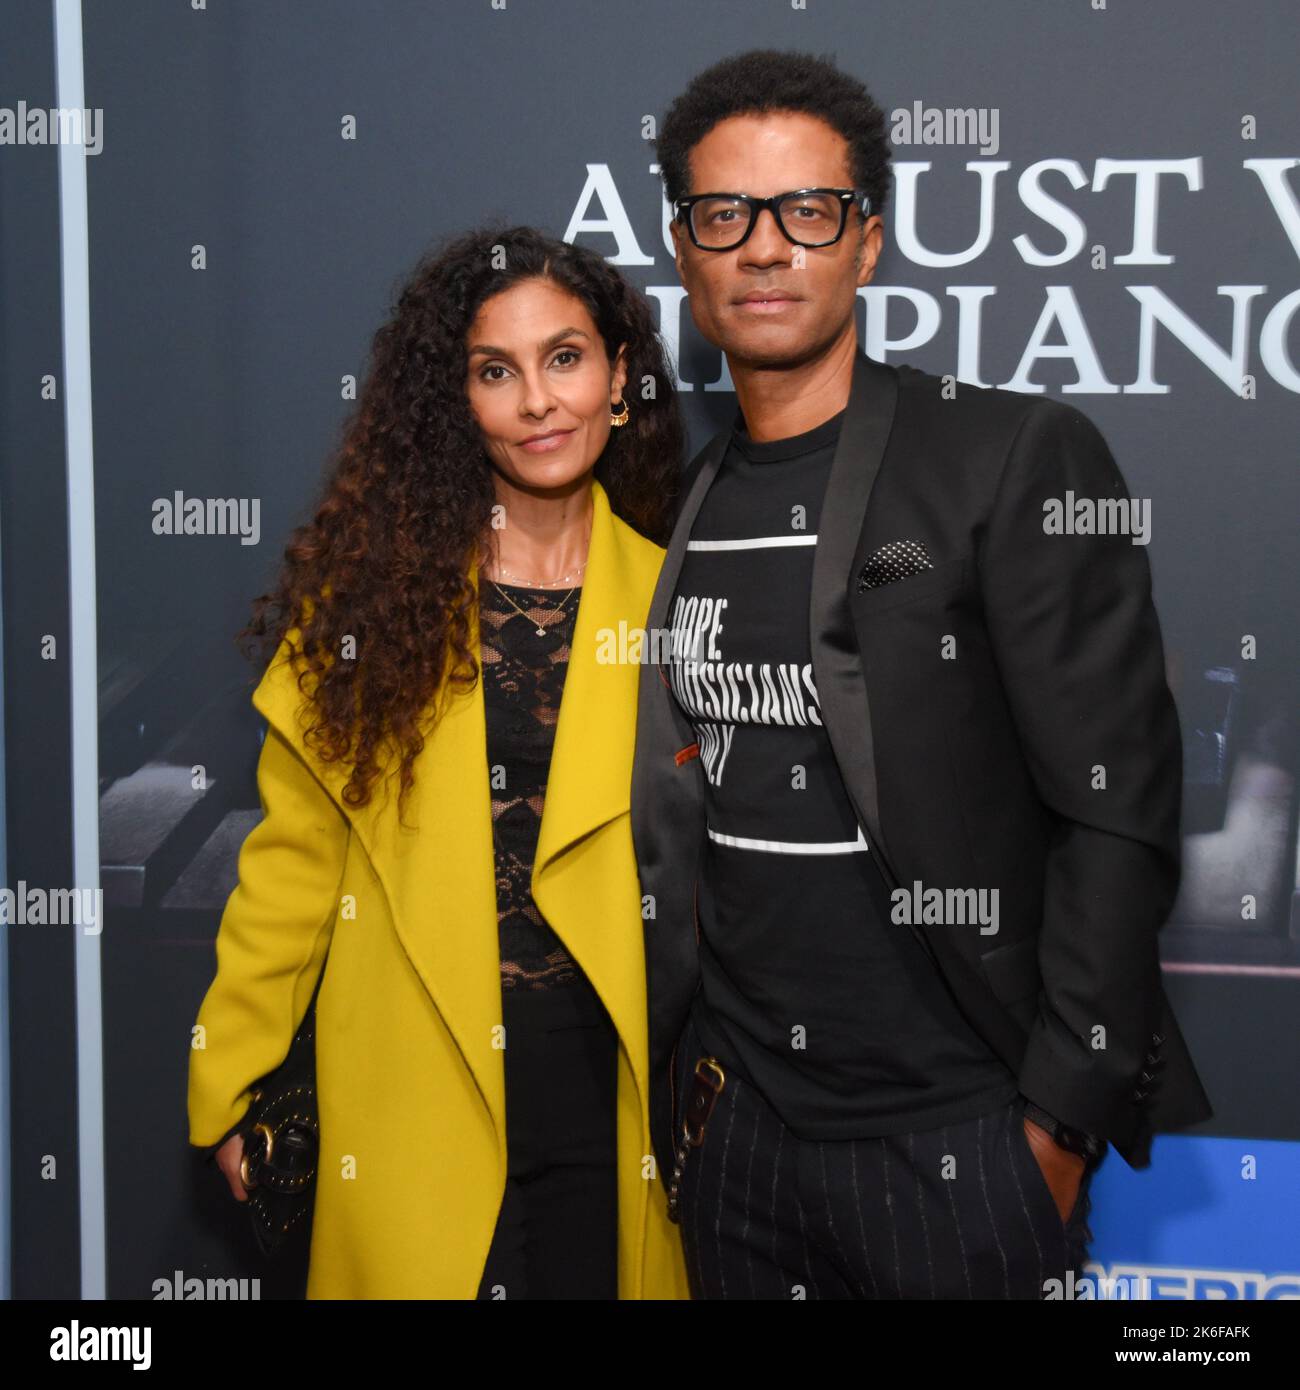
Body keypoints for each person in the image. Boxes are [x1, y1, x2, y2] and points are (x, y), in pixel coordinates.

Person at [631, 48, 1213, 1300]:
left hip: (955, 1142)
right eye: (723, 214)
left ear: (868, 241)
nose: (766, 247)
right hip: (732, 1134)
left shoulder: (1005, 454)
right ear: (682, 249)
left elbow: (1117, 808)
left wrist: (1053, 1131)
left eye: (808, 211)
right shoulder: (682, 500)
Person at [188, 224, 691, 1299]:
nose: (538, 401)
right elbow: (292, 868)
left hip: (623, 1095)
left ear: (616, 378)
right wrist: (232, 1078)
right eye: (494, 372)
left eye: (564, 357)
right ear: (453, 405)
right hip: (412, 1087)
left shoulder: (685, 602)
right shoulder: (368, 611)